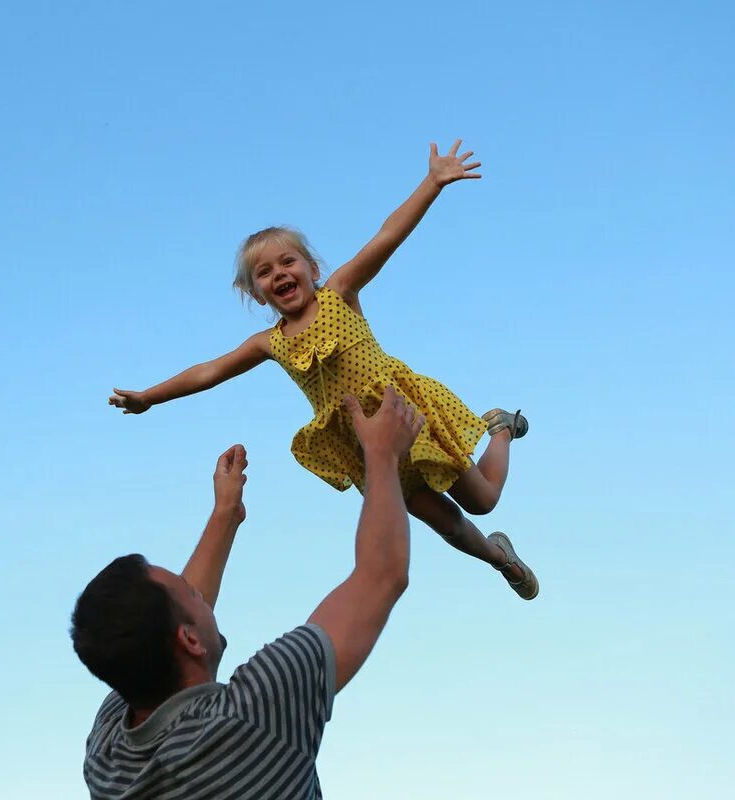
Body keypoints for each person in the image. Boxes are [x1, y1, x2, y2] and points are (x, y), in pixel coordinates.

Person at [108, 140, 538, 599]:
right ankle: (499, 558)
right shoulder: (268, 343)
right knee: (446, 525)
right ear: (258, 294)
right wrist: (150, 396)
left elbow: (386, 237)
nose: (279, 274)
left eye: (287, 262)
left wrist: (431, 183)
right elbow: (209, 371)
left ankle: (500, 430)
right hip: (368, 447)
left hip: (407, 420)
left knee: (483, 501)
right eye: (265, 273)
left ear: (311, 269)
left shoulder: (340, 293)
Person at [73, 388, 429, 798]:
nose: (198, 591)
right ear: (187, 640)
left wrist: (225, 515)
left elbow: (166, 623)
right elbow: (381, 576)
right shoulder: (253, 714)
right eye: (188, 589)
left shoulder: (108, 756)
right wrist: (383, 454)